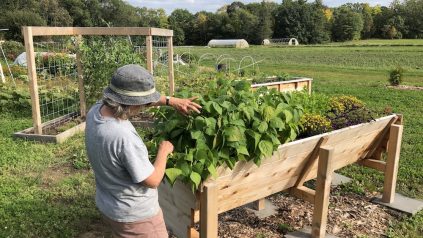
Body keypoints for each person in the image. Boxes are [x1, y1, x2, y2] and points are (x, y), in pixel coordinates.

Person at [85, 64, 201, 238]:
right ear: (132, 104)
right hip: (136, 217)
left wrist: (171, 101)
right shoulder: (123, 136)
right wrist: (163, 152)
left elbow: (134, 100)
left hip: (110, 206)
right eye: (144, 103)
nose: (146, 106)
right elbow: (152, 180)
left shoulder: (96, 111)